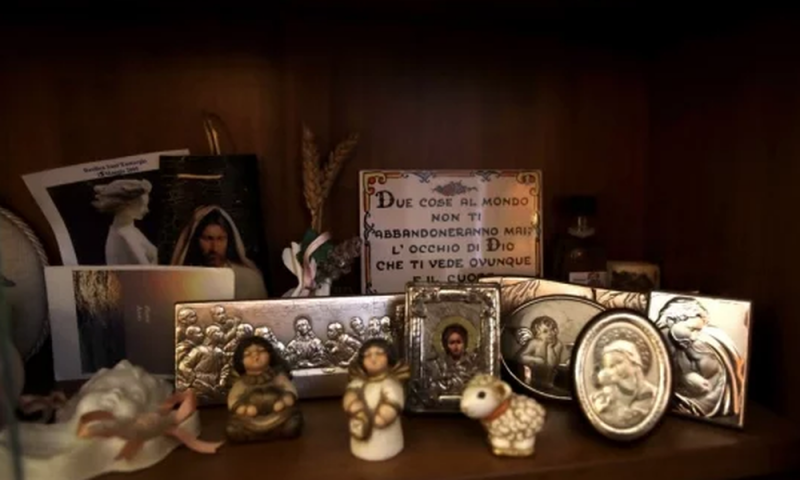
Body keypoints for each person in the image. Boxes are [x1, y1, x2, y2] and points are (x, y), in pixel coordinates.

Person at [654, 297, 744, 419]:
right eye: (692, 329)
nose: (694, 337)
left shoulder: (683, 344)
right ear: (670, 321)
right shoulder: (656, 343)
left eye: (698, 331)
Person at [170, 205, 267, 300]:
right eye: (207, 239)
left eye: (220, 239)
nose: (214, 248)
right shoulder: (181, 281)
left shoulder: (249, 280)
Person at [226, 336, 303, 443]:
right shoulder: (241, 382)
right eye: (248, 354)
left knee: (293, 422)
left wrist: (287, 398)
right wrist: (241, 408)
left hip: (278, 416)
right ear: (240, 361)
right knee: (233, 429)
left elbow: (289, 388)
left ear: (270, 354)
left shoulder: (278, 376)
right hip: (250, 420)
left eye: (261, 351)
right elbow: (233, 398)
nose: (256, 356)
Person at [343, 339, 409, 461]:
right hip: (359, 429)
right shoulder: (358, 382)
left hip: (386, 441)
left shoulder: (391, 384)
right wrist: (352, 405)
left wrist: (382, 417)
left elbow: (394, 401)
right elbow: (350, 395)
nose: (373, 358)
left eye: (379, 353)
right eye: (367, 355)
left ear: (389, 357)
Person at [589, 340, 657, 427]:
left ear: (633, 361)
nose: (616, 369)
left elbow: (630, 418)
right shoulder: (608, 392)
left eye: (619, 362)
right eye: (611, 366)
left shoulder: (647, 391)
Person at [92, 178, 157, 265]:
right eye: (142, 205)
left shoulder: (130, 229)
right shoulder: (123, 236)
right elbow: (147, 270)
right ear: (126, 205)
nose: (147, 210)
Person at [428, 323, 477, 396]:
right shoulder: (439, 365)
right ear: (445, 345)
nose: (456, 346)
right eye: (452, 343)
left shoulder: (472, 365)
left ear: (465, 343)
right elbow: (433, 387)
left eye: (459, 342)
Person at [515, 315, 564, 388]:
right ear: (537, 334)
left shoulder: (558, 345)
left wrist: (550, 348)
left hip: (548, 379)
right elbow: (519, 357)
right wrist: (535, 359)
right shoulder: (534, 343)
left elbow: (553, 364)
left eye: (552, 329)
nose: (550, 333)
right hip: (532, 377)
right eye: (545, 331)